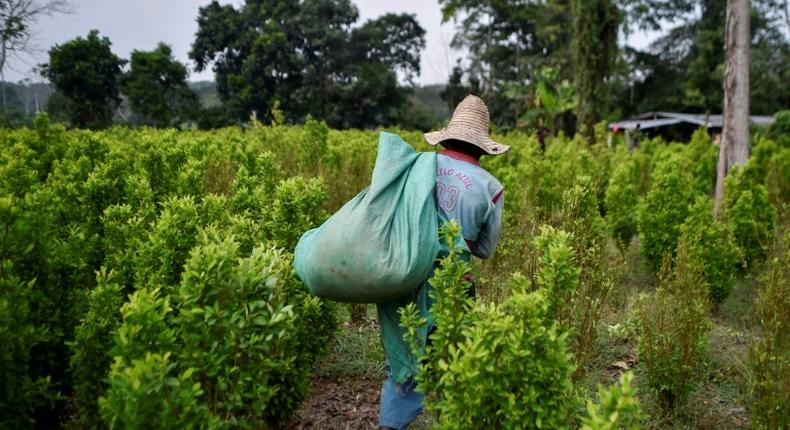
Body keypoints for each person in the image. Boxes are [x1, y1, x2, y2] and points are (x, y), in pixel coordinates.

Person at [376, 95, 509, 430]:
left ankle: (391, 423)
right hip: (451, 283)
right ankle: (451, 417)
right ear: (482, 146)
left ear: (447, 137)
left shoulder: (420, 165)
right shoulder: (491, 187)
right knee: (451, 352)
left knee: (405, 352)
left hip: (402, 272)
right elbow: (485, 249)